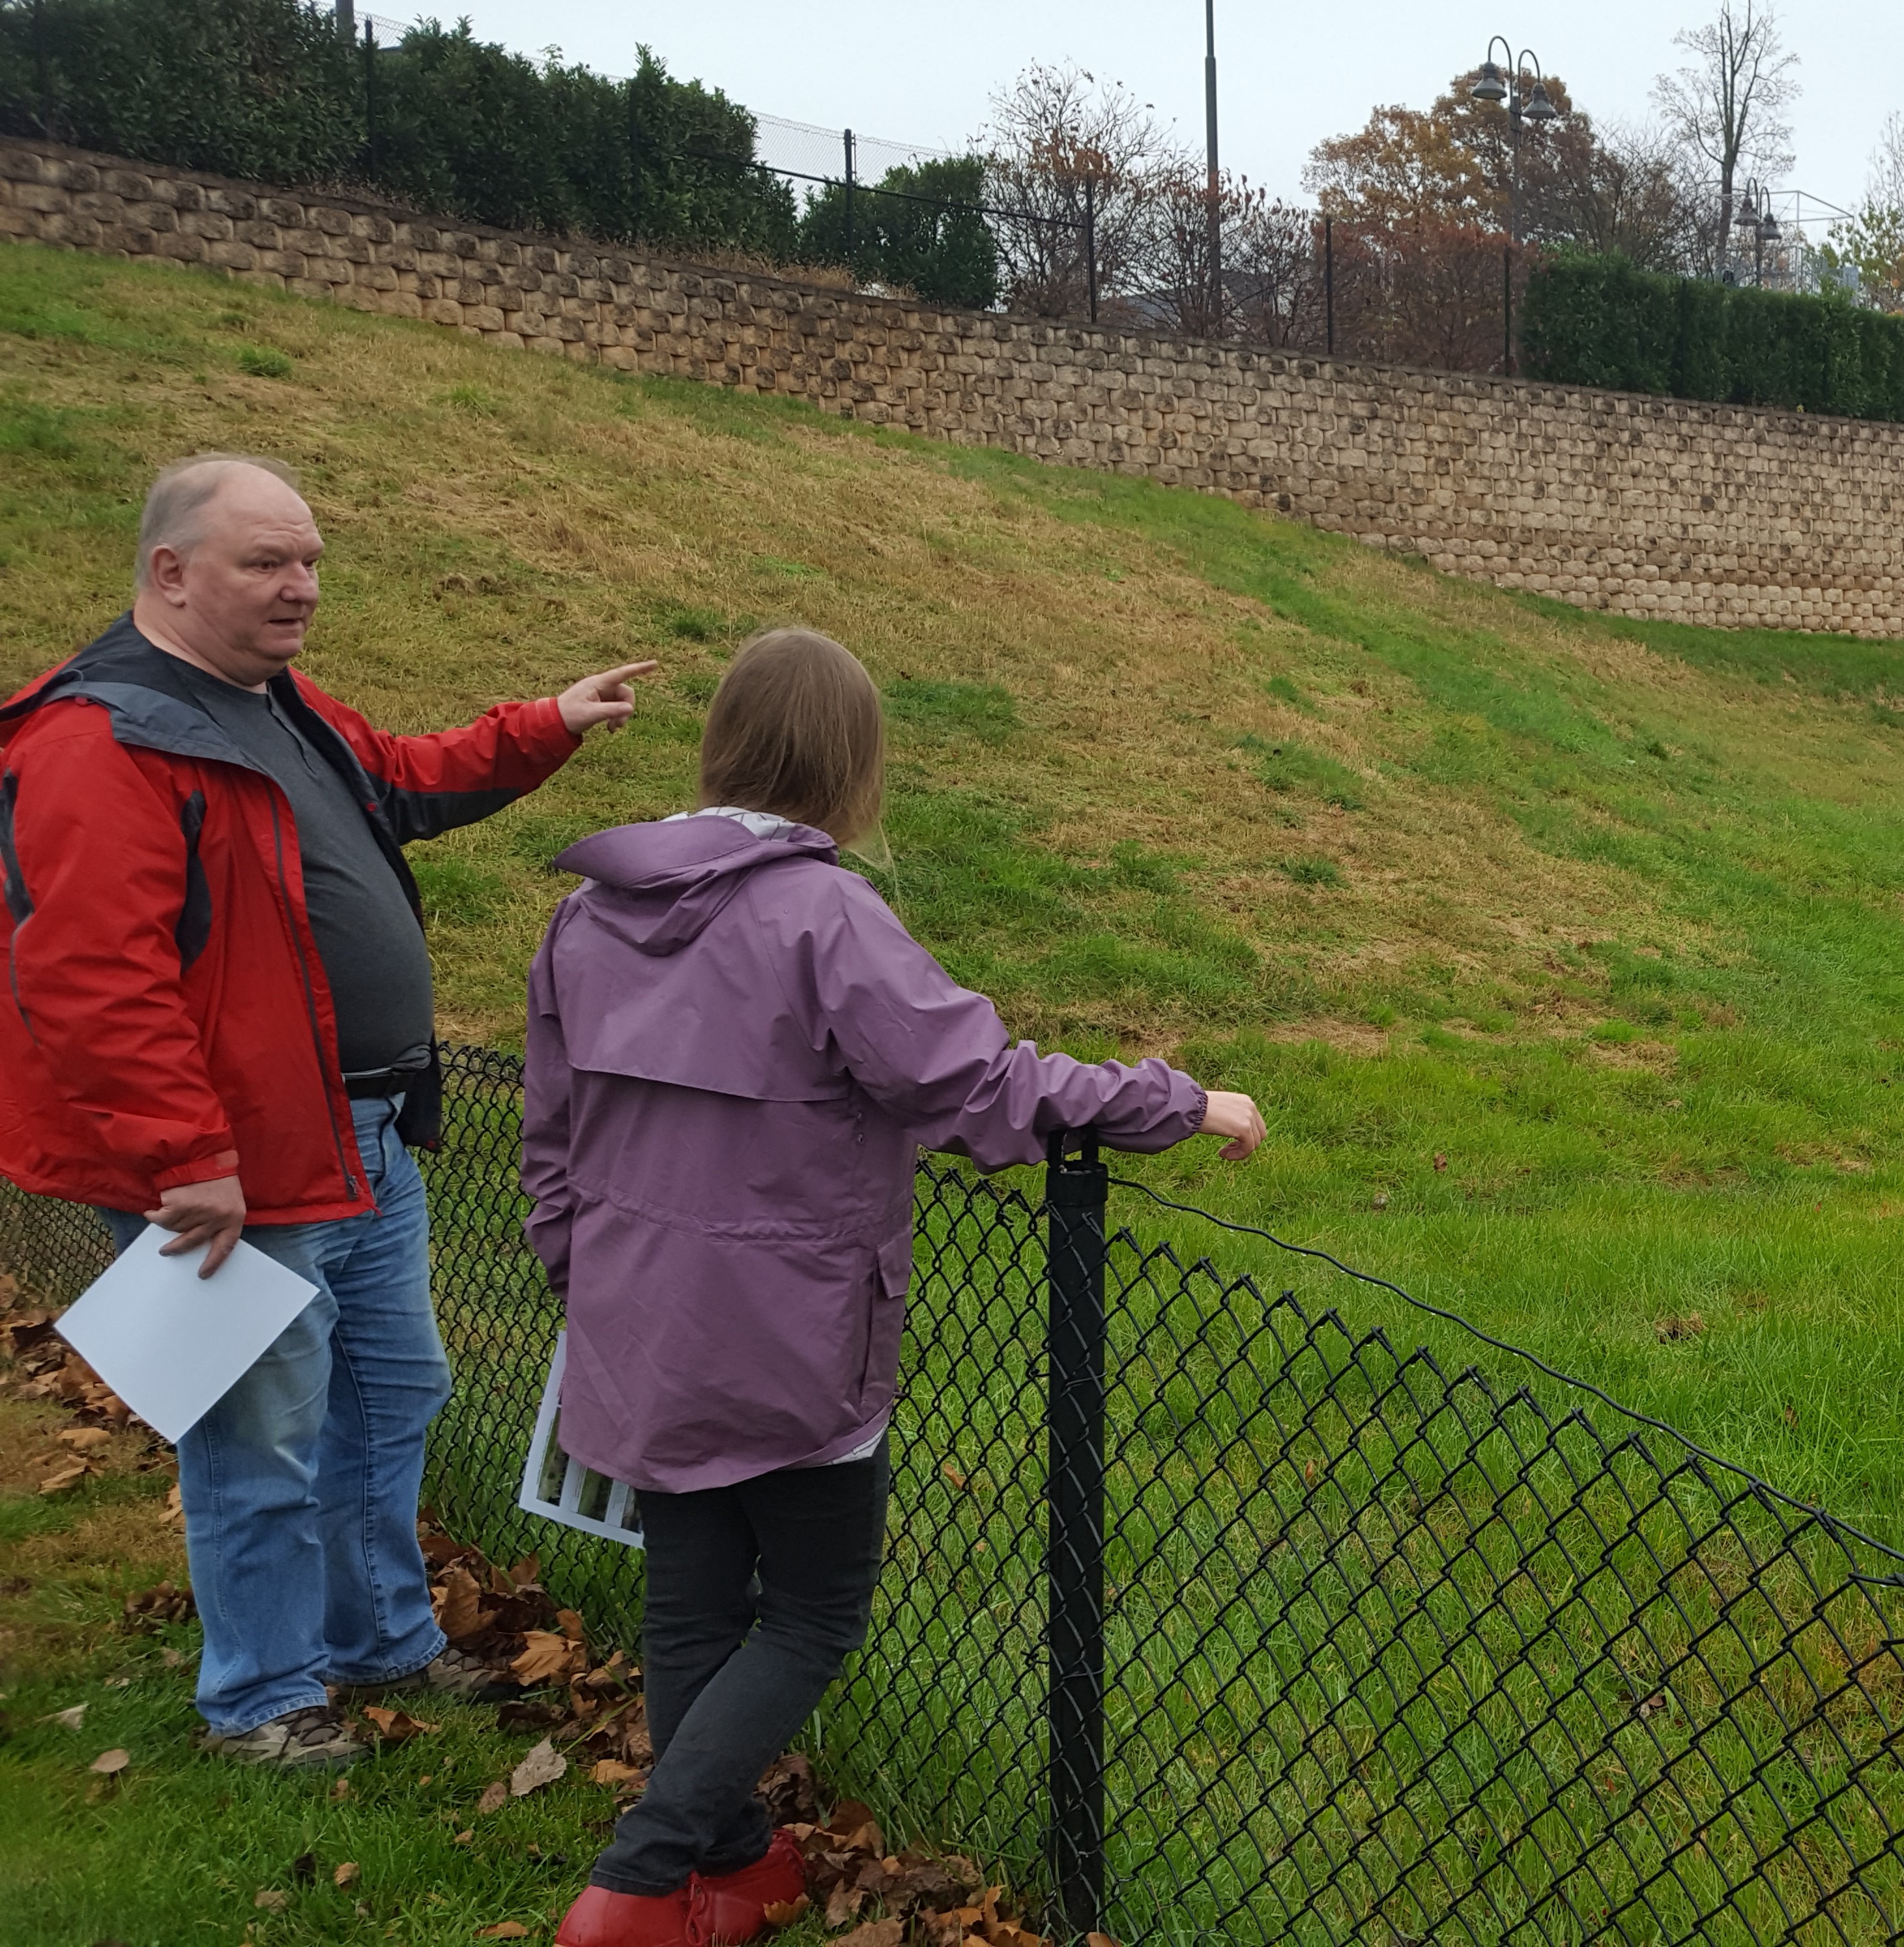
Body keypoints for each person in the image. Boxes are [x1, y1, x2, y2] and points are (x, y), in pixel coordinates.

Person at [523, 627, 1265, 1947]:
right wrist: (1176, 1099)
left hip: (636, 1322)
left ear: (724, 740)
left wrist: (584, 1279)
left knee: (692, 1602)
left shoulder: (590, 911)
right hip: (791, 1333)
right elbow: (976, 1087)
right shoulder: (823, 915)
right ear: (852, 761)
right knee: (812, 1612)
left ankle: (731, 1868)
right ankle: (637, 1883)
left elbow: (551, 1132)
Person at [0, 453, 655, 1768]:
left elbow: (399, 780)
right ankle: (262, 1698)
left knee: (394, 1389)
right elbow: (90, 978)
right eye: (266, 564)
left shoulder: (280, 707)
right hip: (236, 1165)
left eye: (308, 562)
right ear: (170, 572)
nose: (301, 588)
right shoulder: (103, 741)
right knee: (259, 1433)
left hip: (361, 1136)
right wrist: (185, 1157)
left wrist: (545, 723)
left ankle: (379, 1641)